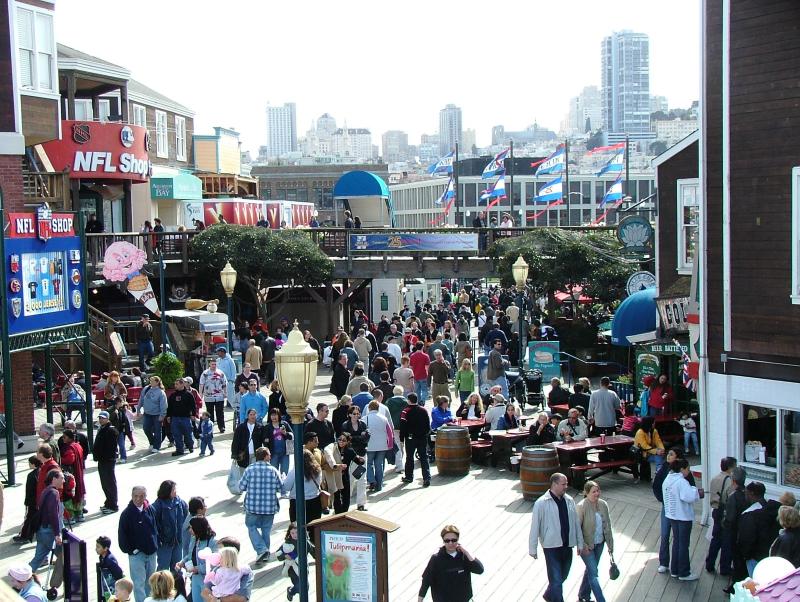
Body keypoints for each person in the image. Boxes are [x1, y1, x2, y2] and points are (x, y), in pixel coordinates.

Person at [529, 473, 585, 602]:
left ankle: (549, 595)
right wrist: (533, 548)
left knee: (563, 576)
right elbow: (535, 527)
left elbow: (576, 523)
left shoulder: (570, 500)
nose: (566, 486)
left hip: (567, 545)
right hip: (551, 547)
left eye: (566, 483)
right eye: (563, 484)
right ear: (554, 484)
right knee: (556, 580)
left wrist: (580, 543)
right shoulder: (541, 503)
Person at [238, 447, 283, 563]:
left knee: (251, 527)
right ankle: (265, 552)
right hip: (269, 506)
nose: (271, 456)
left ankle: (261, 550)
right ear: (265, 456)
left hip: (253, 506)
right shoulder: (273, 470)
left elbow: (241, 487)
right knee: (266, 530)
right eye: (269, 454)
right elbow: (280, 487)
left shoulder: (249, 469)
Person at [418, 525, 484, 602]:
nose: (450, 543)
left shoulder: (464, 556)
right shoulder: (436, 559)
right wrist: (420, 600)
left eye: (453, 540)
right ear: (443, 541)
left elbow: (480, 570)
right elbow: (426, 581)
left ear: (458, 540)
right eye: (447, 540)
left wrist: (466, 552)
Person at [662, 458, 703, 580]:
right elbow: (688, 496)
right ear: (681, 469)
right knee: (684, 545)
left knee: (676, 543)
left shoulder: (668, 479)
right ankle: (684, 572)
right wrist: (697, 492)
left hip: (672, 515)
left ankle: (675, 570)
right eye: (687, 469)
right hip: (683, 516)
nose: (688, 471)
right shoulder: (681, 481)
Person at [575, 481, 614, 602]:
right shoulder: (581, 507)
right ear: (586, 493)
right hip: (587, 547)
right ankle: (601, 600)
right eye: (593, 492)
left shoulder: (603, 504)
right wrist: (583, 545)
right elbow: (576, 529)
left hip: (600, 543)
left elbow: (608, 525)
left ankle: (583, 595)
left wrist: (610, 544)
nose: (597, 493)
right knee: (593, 574)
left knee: (591, 569)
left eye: (598, 491)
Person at [118, 486, 159, 602]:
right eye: (135, 496)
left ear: (145, 497)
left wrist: (156, 545)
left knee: (151, 582)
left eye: (141, 496)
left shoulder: (150, 509)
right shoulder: (126, 514)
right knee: (139, 584)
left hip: (151, 553)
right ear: (132, 496)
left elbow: (155, 528)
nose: (138, 499)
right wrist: (131, 550)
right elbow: (122, 536)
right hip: (136, 555)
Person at [738, 481, 781, 577]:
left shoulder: (750, 515)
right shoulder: (775, 510)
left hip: (755, 557)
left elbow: (746, 539)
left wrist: (746, 555)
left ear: (751, 494)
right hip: (772, 555)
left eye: (746, 493)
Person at [706, 456, 737, 575]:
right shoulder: (729, 480)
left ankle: (710, 563)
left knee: (716, 538)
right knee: (726, 541)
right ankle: (724, 567)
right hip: (724, 510)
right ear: (730, 467)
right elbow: (730, 497)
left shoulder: (715, 478)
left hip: (716, 510)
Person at [29, 469, 64, 571]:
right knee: (66, 557)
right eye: (61, 478)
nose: (64, 480)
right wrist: (57, 534)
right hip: (49, 532)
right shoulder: (54, 493)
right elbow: (53, 514)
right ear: (54, 479)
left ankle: (21, 579)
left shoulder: (46, 491)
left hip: (41, 530)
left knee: (37, 559)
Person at [177, 517, 217, 602]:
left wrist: (198, 568)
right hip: (195, 577)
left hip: (207, 579)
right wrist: (182, 562)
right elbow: (190, 554)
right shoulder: (194, 538)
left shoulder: (212, 541)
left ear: (198, 528)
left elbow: (214, 563)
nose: (189, 530)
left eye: (191, 527)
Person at [152, 480, 188, 573]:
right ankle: (160, 587)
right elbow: (153, 525)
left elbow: (186, 517)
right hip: (164, 544)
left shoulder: (180, 503)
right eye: (173, 490)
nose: (175, 492)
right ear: (167, 491)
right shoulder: (157, 506)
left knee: (177, 568)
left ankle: (177, 587)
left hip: (178, 542)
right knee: (163, 569)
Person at [722, 467, 749, 591]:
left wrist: (724, 523)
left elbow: (730, 518)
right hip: (747, 530)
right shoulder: (748, 494)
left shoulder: (734, 496)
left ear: (733, 481)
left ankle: (736, 585)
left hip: (735, 532)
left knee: (737, 559)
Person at [283, 449, 323, 528]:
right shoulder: (317, 470)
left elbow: (286, 487)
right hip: (315, 501)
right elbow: (319, 483)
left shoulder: (295, 471)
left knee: (298, 529)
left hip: (297, 502)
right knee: (313, 528)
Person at [400, 393, 432, 488]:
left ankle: (409, 477)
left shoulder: (405, 412)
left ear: (408, 400)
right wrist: (425, 435)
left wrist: (402, 439)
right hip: (422, 438)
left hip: (410, 438)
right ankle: (426, 478)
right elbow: (428, 425)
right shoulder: (424, 410)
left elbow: (403, 426)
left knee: (409, 457)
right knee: (424, 457)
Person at [277, 522, 315, 601]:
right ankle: (292, 591)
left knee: (305, 587)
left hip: (303, 567)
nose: (294, 535)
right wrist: (284, 556)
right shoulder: (288, 543)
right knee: (302, 585)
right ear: (289, 533)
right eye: (292, 533)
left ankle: (291, 591)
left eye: (297, 532)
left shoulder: (305, 542)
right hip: (292, 568)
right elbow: (279, 554)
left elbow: (313, 551)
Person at [341, 406, 369, 510]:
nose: (356, 416)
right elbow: (346, 440)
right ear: (349, 414)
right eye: (354, 414)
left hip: (361, 454)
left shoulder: (362, 424)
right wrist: (359, 437)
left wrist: (355, 438)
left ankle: (361, 504)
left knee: (362, 479)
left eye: (358, 414)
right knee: (351, 479)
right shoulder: (345, 425)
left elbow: (366, 438)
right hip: (351, 456)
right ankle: (345, 502)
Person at [94, 410, 119, 514]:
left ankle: (113, 505)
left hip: (108, 460)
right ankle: (108, 502)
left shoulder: (111, 430)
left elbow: (111, 448)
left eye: (103, 418)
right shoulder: (102, 429)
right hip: (102, 460)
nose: (101, 420)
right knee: (104, 483)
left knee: (110, 482)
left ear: (108, 418)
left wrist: (105, 456)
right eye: (100, 418)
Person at [13, 456, 43, 544]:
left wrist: (27, 502)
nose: (29, 465)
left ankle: (24, 536)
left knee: (28, 519)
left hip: (31, 501)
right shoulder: (41, 472)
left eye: (29, 463)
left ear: (33, 464)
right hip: (39, 500)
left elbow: (29, 490)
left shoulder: (31, 475)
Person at [364, 400, 391, 492]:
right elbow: (389, 432)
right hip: (382, 445)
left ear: (369, 408)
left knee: (368, 463)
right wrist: (390, 444)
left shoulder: (365, 418)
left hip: (370, 445)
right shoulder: (384, 418)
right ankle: (379, 485)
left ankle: (371, 480)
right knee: (379, 464)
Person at [59, 429, 86, 522]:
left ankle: (70, 516)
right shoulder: (78, 445)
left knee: (69, 494)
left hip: (72, 474)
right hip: (79, 473)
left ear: (69, 437)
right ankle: (80, 514)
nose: (63, 438)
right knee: (79, 492)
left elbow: (70, 459)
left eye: (64, 437)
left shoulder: (69, 447)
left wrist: (60, 459)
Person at [136, 376, 168, 453]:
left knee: (157, 430)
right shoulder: (146, 389)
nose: (151, 382)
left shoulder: (161, 392)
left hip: (157, 414)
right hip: (147, 413)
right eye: (150, 380)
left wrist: (162, 415)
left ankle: (157, 446)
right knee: (146, 428)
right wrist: (138, 409)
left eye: (152, 381)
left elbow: (163, 405)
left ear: (157, 382)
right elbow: (141, 399)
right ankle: (152, 442)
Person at [167, 378, 197, 456]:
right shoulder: (173, 395)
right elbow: (169, 407)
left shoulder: (188, 394)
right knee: (176, 434)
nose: (175, 385)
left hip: (186, 418)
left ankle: (190, 446)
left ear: (182, 384)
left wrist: (193, 415)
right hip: (175, 418)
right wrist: (168, 416)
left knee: (188, 434)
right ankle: (179, 450)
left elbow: (193, 405)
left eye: (177, 384)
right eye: (175, 384)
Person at [198, 358, 228, 433]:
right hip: (208, 396)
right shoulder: (205, 373)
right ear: (209, 364)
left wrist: (225, 392)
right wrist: (200, 394)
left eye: (215, 364)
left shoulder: (220, 373)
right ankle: (209, 427)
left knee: (220, 412)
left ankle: (221, 427)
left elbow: (224, 384)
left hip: (219, 396)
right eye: (212, 364)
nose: (214, 366)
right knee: (210, 413)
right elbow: (201, 384)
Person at [633, 417, 665, 481]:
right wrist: (656, 451)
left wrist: (662, 449)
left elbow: (658, 441)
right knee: (658, 455)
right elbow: (644, 446)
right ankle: (659, 472)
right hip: (641, 454)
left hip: (650, 453)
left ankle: (659, 471)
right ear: (649, 423)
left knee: (659, 455)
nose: (654, 424)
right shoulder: (640, 432)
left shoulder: (654, 431)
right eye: (653, 422)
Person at [263, 409, 292, 475]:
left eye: (275, 415)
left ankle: (283, 485)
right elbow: (264, 440)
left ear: (279, 415)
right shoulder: (267, 427)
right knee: (273, 473)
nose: (273, 417)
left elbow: (292, 436)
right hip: (273, 454)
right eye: (272, 415)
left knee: (284, 473)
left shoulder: (284, 424)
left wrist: (285, 433)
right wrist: (266, 442)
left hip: (285, 453)